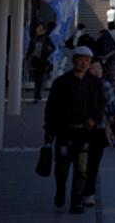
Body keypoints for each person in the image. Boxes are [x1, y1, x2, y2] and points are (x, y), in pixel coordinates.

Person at [44, 46, 105, 214]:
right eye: (80, 59)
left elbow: (101, 104)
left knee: (82, 168)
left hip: (85, 133)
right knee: (62, 166)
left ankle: (76, 199)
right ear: (74, 60)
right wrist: (49, 130)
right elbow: (51, 108)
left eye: (87, 60)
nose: (83, 63)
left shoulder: (94, 83)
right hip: (64, 131)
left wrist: (94, 119)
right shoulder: (61, 82)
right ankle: (60, 189)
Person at [83, 59, 115, 208]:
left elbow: (114, 103)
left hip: (98, 129)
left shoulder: (105, 85)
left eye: (99, 68)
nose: (97, 71)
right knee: (81, 163)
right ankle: (81, 190)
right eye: (93, 68)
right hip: (82, 129)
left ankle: (89, 193)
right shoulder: (82, 85)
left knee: (92, 163)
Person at [26, 22, 56, 103]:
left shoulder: (46, 38)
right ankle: (37, 94)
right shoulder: (34, 38)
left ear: (44, 30)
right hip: (35, 60)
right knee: (36, 78)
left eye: (40, 28)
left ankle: (37, 95)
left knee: (40, 78)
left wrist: (47, 52)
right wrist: (27, 57)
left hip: (43, 60)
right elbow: (30, 48)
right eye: (38, 27)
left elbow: (53, 47)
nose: (38, 29)